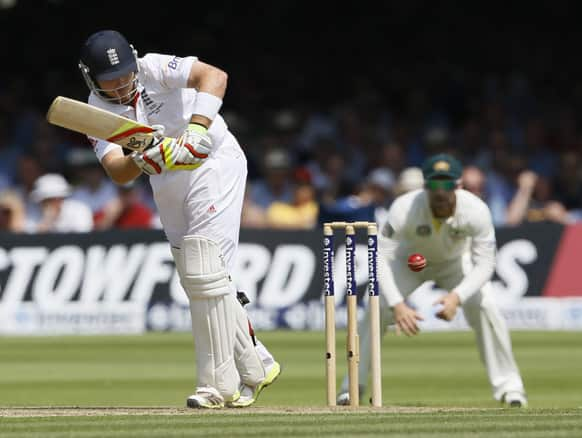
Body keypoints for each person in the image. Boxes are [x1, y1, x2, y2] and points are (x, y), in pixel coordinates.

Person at [78, 30, 280, 409]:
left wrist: (196, 129)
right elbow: (117, 171)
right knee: (196, 277)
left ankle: (217, 386)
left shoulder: (153, 67)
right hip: (166, 178)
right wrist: (140, 160)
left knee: (206, 266)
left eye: (125, 73)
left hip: (212, 162)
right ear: (91, 78)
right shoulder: (95, 110)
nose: (122, 84)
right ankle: (258, 365)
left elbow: (215, 76)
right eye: (110, 79)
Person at [337, 153, 527, 407]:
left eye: (447, 184)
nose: (440, 191)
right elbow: (379, 257)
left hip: (454, 263)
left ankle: (510, 388)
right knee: (374, 306)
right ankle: (352, 386)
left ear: (458, 186)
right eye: (434, 185)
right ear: (425, 186)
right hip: (409, 262)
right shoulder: (404, 207)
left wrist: (456, 296)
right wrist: (397, 304)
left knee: (486, 306)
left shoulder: (476, 210)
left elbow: (485, 263)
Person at [29, 173, 93, 233]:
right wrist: (46, 222)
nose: (48, 204)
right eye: (45, 200)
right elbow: (30, 240)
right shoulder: (34, 212)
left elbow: (83, 238)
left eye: (54, 199)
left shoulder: (79, 210)